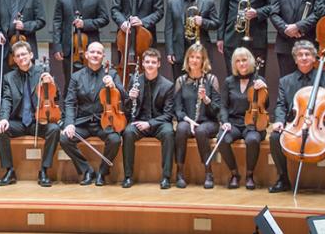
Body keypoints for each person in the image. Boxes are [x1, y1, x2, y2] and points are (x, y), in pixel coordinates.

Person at [268, 40, 325, 195]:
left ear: (314, 58)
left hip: (319, 124)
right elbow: (281, 105)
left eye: (307, 54)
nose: (304, 57)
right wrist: (278, 120)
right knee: (274, 137)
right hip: (297, 124)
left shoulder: (324, 77)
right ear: (295, 59)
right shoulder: (285, 81)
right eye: (300, 55)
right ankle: (283, 178)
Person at [0, 41, 61, 187]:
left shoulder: (43, 72)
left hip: (38, 121)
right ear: (14, 59)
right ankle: (9, 171)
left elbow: (56, 97)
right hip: (18, 122)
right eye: (17, 55)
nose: (21, 58)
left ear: (31, 55)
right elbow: (6, 100)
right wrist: (3, 119)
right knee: (0, 130)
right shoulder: (9, 77)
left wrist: (51, 84)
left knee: (54, 129)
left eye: (24, 54)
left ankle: (44, 170)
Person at [60, 41, 125, 186]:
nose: (95, 55)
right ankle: (86, 170)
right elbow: (69, 102)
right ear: (87, 55)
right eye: (93, 52)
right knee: (64, 139)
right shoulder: (76, 77)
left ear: (103, 56)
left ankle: (103, 171)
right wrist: (69, 123)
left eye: (99, 52)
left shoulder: (112, 73)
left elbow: (124, 96)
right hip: (83, 122)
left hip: (105, 122)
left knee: (114, 139)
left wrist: (114, 87)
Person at [52, 0, 110, 94]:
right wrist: (57, 46)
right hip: (69, 48)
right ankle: (68, 112)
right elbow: (57, 22)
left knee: (91, 83)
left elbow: (104, 19)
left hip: (90, 48)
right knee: (70, 81)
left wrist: (86, 24)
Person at [121, 47, 174, 189]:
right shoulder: (134, 80)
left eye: (153, 62)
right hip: (139, 122)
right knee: (128, 132)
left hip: (159, 123)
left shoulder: (168, 85)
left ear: (158, 64)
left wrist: (149, 123)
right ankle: (127, 176)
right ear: (143, 64)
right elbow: (126, 109)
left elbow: (168, 115)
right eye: (147, 62)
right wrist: (129, 98)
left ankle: (166, 177)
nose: (150, 64)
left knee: (169, 133)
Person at [111, 0, 164, 86]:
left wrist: (143, 22)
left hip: (146, 39)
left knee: (148, 76)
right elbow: (115, 9)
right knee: (123, 74)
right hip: (125, 38)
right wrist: (122, 22)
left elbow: (159, 11)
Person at [218, 47, 267, 190]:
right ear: (234, 64)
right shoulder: (228, 81)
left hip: (253, 123)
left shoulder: (259, 80)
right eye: (238, 61)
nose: (242, 64)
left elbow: (266, 105)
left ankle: (250, 175)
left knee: (252, 140)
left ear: (250, 61)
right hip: (233, 123)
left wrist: (264, 88)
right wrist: (225, 121)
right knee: (223, 139)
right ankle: (234, 174)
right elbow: (223, 106)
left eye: (244, 60)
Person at [173, 42, 220, 189]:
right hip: (188, 121)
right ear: (187, 59)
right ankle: (179, 172)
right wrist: (189, 121)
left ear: (203, 60)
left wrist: (206, 99)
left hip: (208, 122)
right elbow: (178, 110)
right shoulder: (181, 81)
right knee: (181, 129)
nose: (194, 60)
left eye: (198, 57)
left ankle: (208, 172)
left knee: (201, 131)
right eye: (191, 57)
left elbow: (217, 110)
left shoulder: (211, 80)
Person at [269, 0, 320, 77]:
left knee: (309, 84)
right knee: (287, 83)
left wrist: (298, 26)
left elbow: (318, 13)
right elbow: (274, 13)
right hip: (285, 44)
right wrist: (286, 29)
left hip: (308, 42)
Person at [165, 0, 219, 81]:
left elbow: (216, 23)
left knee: (203, 84)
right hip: (179, 50)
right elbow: (169, 29)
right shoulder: (172, 3)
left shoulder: (208, 1)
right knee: (179, 84)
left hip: (201, 50)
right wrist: (170, 51)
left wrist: (203, 22)